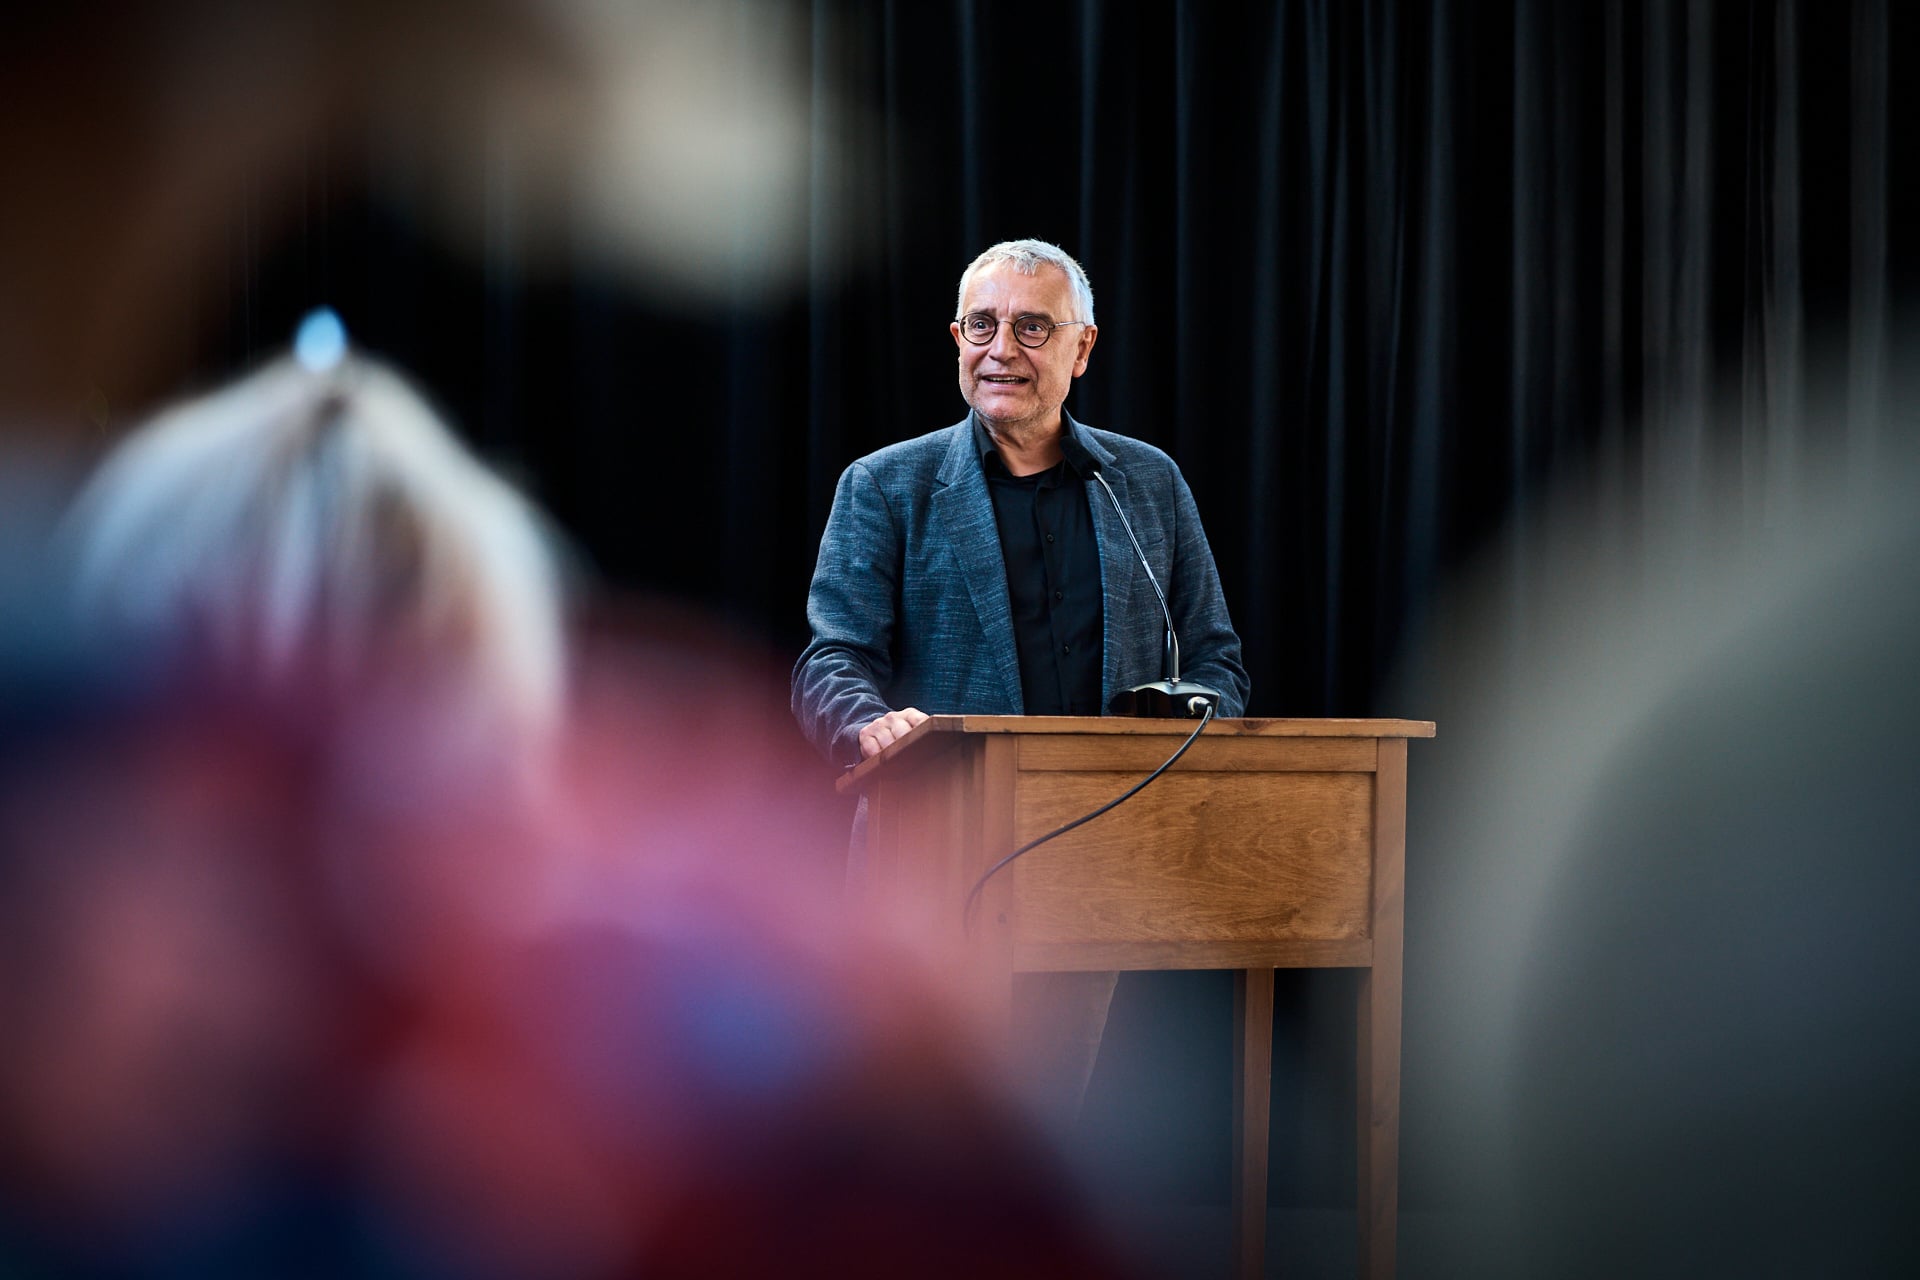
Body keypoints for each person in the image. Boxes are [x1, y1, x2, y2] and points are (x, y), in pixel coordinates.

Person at [791, 238, 1249, 1121]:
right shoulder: (887, 485)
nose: (1001, 348)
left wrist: (1189, 718)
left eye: (1033, 327)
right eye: (982, 325)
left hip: (1095, 865)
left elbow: (1215, 659)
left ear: (1082, 348)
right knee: (912, 1131)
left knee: (1051, 1132)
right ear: (956, 339)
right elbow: (831, 659)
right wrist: (866, 722)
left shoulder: (1145, 485)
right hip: (929, 864)